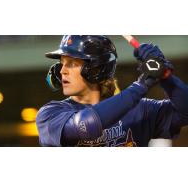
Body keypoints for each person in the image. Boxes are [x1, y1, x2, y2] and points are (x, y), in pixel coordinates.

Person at [36, 35, 188, 147]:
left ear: (96, 68)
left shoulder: (141, 109)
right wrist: (141, 86)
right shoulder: (50, 114)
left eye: (72, 63)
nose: (62, 71)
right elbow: (86, 125)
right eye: (61, 63)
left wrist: (165, 75)